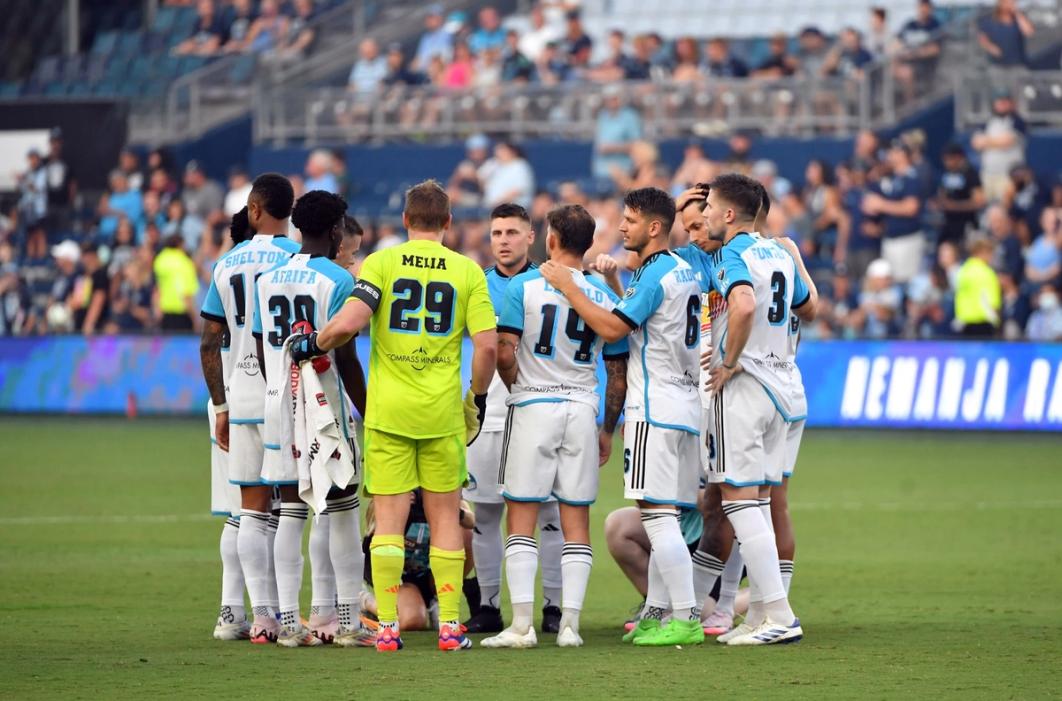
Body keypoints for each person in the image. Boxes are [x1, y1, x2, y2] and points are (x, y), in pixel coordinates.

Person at [289, 180, 498, 653]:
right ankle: (449, 626)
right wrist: (477, 397)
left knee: (388, 521)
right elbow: (486, 346)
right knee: (446, 519)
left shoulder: (381, 263)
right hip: (442, 413)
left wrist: (311, 344)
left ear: (405, 221)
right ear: (447, 223)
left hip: (388, 415)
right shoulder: (467, 272)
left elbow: (348, 324)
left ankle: (385, 628)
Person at [539, 188, 704, 647]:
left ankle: (686, 617)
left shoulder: (655, 274)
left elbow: (613, 328)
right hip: (686, 405)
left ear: (654, 227)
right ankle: (655, 611)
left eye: (629, 220)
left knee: (656, 515)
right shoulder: (680, 269)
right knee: (661, 512)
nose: (621, 227)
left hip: (655, 407)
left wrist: (570, 287)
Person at [482, 204, 628, 649]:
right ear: (588, 244)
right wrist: (607, 429)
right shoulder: (603, 295)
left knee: (520, 517)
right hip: (582, 407)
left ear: (549, 239)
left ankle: (522, 625)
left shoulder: (523, 285)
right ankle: (570, 625)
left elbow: (504, 351)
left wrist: (517, 387)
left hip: (534, 404)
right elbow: (617, 374)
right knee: (575, 521)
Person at [251, 190, 372, 647]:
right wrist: (368, 410)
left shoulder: (269, 279)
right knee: (341, 511)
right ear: (337, 229)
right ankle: (346, 624)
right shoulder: (339, 280)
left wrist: (280, 397)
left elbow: (265, 351)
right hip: (328, 408)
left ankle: (287, 624)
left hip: (282, 402)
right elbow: (346, 357)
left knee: (291, 511)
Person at [702, 173, 814, 645]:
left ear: (730, 215)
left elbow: (743, 306)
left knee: (738, 499)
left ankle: (780, 617)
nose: (705, 214)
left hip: (747, 388)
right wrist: (798, 259)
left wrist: (729, 363)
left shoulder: (733, 253)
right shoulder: (779, 251)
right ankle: (761, 614)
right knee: (762, 502)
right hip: (785, 387)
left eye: (709, 206)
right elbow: (809, 308)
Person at [198, 173, 300, 644]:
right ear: (289, 213)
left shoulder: (225, 264)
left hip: (239, 395)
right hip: (287, 393)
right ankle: (296, 614)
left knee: (246, 509)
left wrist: (219, 405)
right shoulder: (299, 261)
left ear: (254, 209)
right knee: (292, 509)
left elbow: (208, 342)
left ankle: (255, 617)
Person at [463, 204, 564, 636]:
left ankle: (553, 607)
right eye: (496, 232)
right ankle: (487, 605)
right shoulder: (476, 284)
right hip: (488, 411)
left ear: (530, 237)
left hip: (537, 408)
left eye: (511, 232)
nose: (502, 239)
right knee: (484, 512)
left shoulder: (548, 281)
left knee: (550, 513)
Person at [862, 141, 925, 284]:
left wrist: (881, 204)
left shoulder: (912, 177)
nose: (890, 156)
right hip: (890, 238)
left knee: (907, 282)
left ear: (903, 155)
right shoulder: (893, 178)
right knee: (889, 282)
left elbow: (911, 208)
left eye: (894, 152)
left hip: (907, 238)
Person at [972, 91, 1027, 202]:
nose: (1002, 104)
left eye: (1005, 101)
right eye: (999, 101)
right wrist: (996, 142)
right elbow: (976, 143)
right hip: (988, 173)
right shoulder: (988, 121)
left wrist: (987, 141)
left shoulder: (1017, 121)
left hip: (1008, 175)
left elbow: (1006, 143)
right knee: (985, 208)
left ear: (1011, 103)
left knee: (1005, 208)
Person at [936, 144, 985, 248]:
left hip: (967, 224)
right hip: (949, 223)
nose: (947, 163)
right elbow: (943, 193)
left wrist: (954, 206)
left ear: (958, 157)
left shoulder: (970, 174)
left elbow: (979, 202)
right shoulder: (947, 173)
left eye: (949, 159)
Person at [592, 87, 643, 181]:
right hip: (602, 170)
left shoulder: (630, 116)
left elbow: (637, 144)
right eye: (608, 99)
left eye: (614, 99)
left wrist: (613, 148)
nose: (611, 102)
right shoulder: (602, 116)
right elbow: (599, 145)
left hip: (624, 170)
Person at [954, 238, 1001, 338]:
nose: (991, 257)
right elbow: (993, 303)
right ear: (982, 252)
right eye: (990, 253)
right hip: (983, 323)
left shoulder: (963, 271)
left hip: (964, 322)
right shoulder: (987, 273)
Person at [894, 0, 942, 99]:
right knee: (890, 64)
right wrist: (898, 52)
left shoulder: (935, 25)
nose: (922, 10)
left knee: (907, 72)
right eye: (921, 7)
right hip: (905, 59)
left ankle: (910, 104)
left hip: (923, 64)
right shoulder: (910, 24)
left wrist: (914, 54)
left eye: (925, 8)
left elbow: (935, 49)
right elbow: (897, 40)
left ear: (930, 9)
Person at [154, 235, 200, 332]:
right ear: (180, 245)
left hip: (165, 313)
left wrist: (157, 308)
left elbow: (158, 288)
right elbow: (186, 294)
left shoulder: (159, 261)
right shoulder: (185, 263)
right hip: (182, 314)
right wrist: (195, 319)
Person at [977, 0, 1034, 68]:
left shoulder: (1019, 19)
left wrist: (1016, 13)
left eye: (1012, 3)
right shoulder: (988, 20)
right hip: (996, 65)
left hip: (1017, 64)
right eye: (1007, 2)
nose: (1010, 5)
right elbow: (982, 39)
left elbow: (1028, 32)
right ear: (1000, 3)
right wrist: (991, 48)